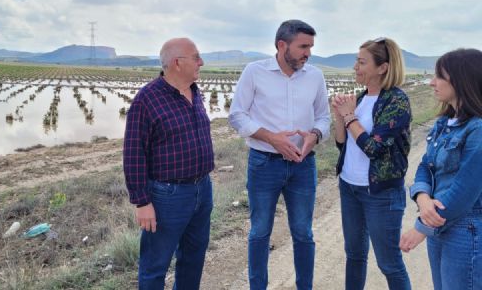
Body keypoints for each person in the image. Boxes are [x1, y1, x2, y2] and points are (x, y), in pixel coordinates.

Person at [229, 19, 330, 290]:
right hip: (264, 164)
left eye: (310, 46)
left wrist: (315, 136)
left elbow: (323, 117)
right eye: (303, 46)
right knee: (260, 232)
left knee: (303, 233)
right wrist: (272, 138)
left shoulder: (315, 76)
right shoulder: (254, 71)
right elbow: (237, 115)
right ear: (281, 45)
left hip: (303, 165)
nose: (308, 53)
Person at [123, 37, 214, 290]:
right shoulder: (147, 100)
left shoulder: (195, 92)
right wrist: (142, 202)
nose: (201, 62)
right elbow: (133, 153)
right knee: (155, 266)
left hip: (202, 189)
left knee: (193, 259)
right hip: (167, 197)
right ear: (177, 63)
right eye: (196, 57)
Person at [332, 37, 412, 289]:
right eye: (356, 61)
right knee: (354, 255)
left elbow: (374, 148)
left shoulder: (396, 101)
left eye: (361, 62)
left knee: (389, 263)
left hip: (381, 193)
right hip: (349, 186)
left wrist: (348, 117)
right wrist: (340, 116)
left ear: (383, 67)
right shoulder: (361, 97)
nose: (355, 66)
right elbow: (342, 144)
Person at [399, 48, 482, 290]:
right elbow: (426, 165)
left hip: (466, 230)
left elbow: (465, 190)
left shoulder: (478, 129)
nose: (432, 82)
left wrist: (421, 228)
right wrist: (423, 199)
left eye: (439, 76)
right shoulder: (444, 123)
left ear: (461, 80)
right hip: (438, 222)